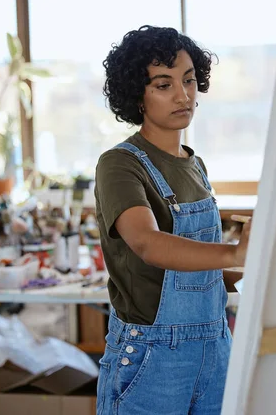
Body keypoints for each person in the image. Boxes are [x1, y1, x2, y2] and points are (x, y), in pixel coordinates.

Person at [94, 25, 252, 414]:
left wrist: (257, 264)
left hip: (215, 350)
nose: (183, 95)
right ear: (138, 95)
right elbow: (148, 244)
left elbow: (197, 278)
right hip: (152, 358)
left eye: (189, 80)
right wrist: (234, 252)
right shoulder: (119, 164)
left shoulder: (195, 165)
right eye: (163, 85)